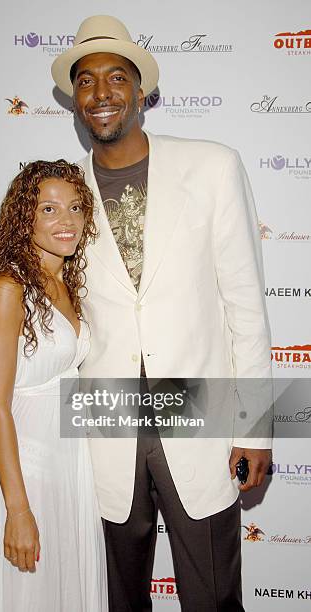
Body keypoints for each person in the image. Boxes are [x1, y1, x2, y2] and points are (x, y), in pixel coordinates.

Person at [50, 15, 273, 612]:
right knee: (116, 600)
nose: (102, 94)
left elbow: (245, 308)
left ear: (141, 91)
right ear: (74, 99)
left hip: (198, 416)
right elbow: (43, 309)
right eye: (87, 81)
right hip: (103, 425)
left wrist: (253, 427)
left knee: (213, 597)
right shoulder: (61, 195)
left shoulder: (212, 166)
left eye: (116, 78)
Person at [0, 160, 108, 612]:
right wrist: (19, 511)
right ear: (24, 216)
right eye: (48, 209)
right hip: (25, 472)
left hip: (70, 464)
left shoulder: (67, 280)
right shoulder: (10, 286)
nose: (65, 221)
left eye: (74, 207)